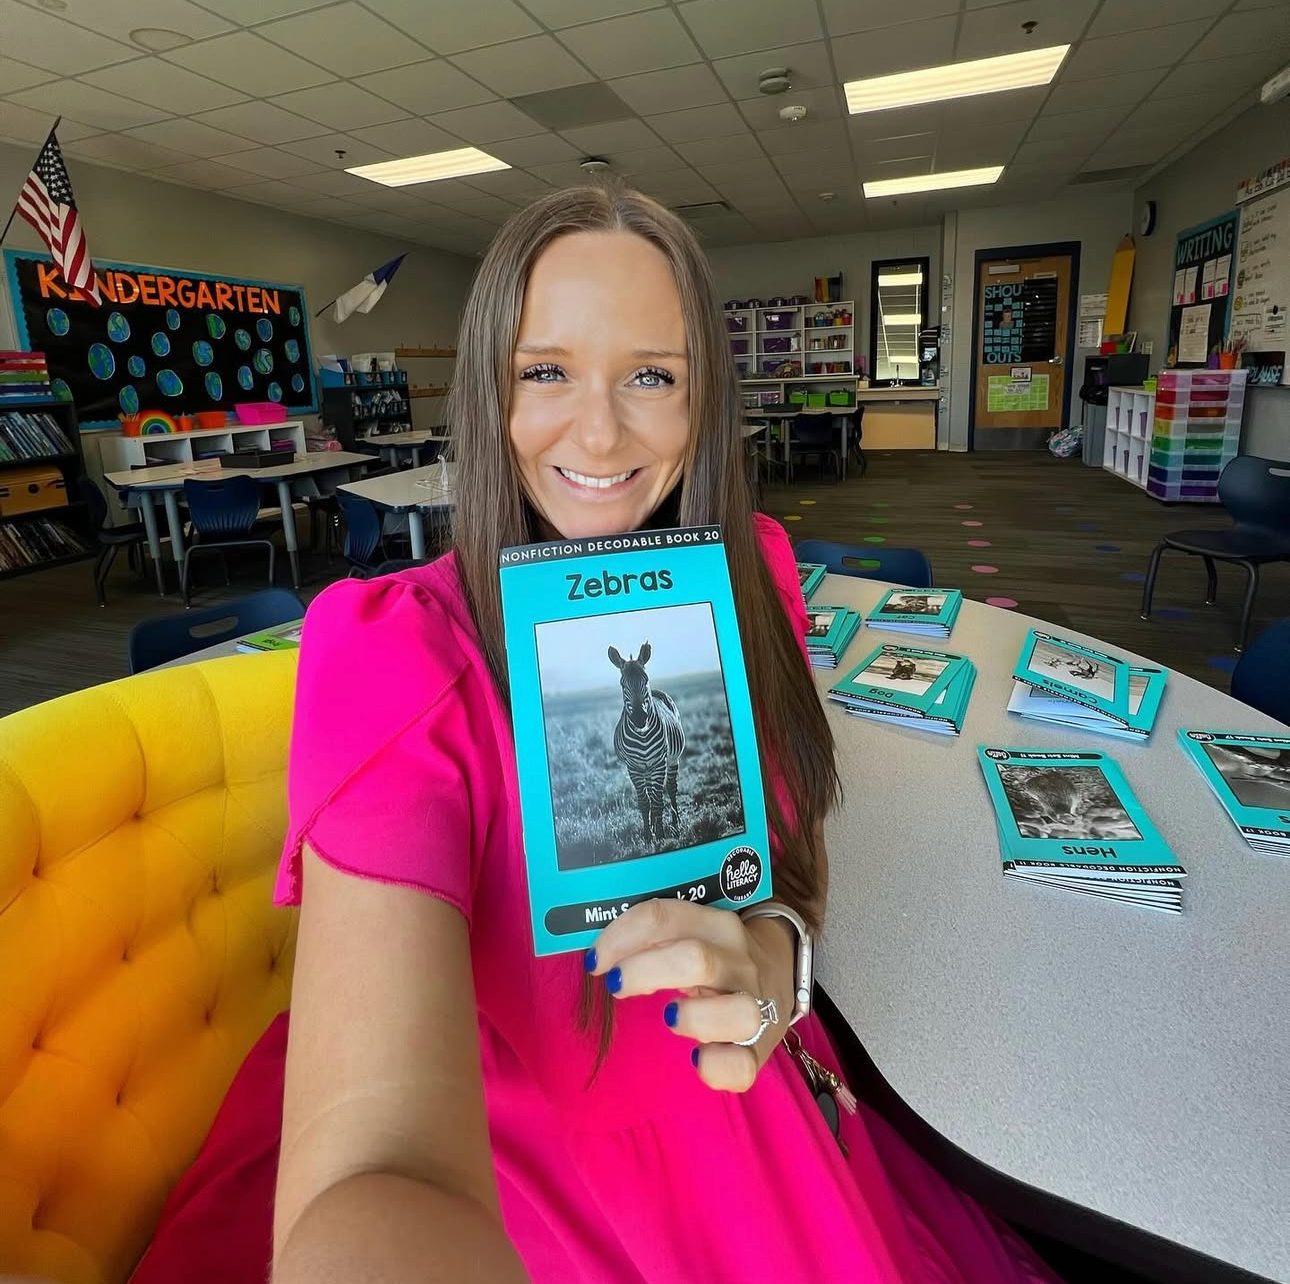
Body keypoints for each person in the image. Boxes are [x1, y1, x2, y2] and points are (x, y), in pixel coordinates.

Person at [272, 185, 1062, 1284]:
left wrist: (778, 963)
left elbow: (787, 875)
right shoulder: (390, 657)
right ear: (490, 394)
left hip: (752, 1098)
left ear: (703, 405)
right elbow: (374, 1171)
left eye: (651, 376)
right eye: (545, 371)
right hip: (544, 1177)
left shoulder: (754, 578)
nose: (598, 433)